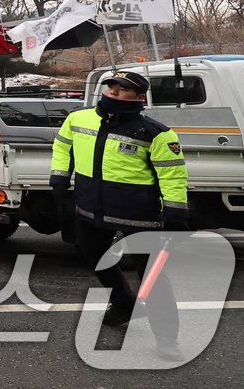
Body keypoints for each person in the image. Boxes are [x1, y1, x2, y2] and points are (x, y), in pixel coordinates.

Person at [50, 70, 188, 360]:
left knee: (151, 275)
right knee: (93, 256)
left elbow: (172, 174)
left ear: (139, 96)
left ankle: (167, 338)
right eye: (111, 86)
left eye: (122, 88)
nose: (113, 91)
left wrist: (176, 210)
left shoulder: (156, 133)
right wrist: (59, 182)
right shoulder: (78, 118)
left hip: (137, 214)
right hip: (89, 207)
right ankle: (125, 303)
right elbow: (62, 147)